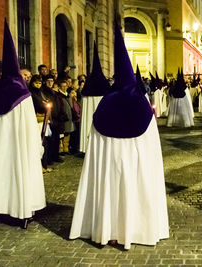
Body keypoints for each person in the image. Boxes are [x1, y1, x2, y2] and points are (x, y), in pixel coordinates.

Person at [69, 21, 169, 249]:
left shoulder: (105, 103)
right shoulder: (142, 105)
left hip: (109, 162)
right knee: (134, 188)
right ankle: (136, 226)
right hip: (136, 164)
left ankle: (109, 228)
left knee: (110, 188)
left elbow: (94, 143)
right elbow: (152, 148)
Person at [0, 21, 45, 228]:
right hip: (16, 148)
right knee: (15, 171)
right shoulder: (23, 95)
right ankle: (18, 209)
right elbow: (30, 127)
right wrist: (35, 146)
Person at [79, 41, 110, 153]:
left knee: (88, 121)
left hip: (90, 105)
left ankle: (86, 147)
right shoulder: (104, 82)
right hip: (101, 105)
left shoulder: (88, 83)